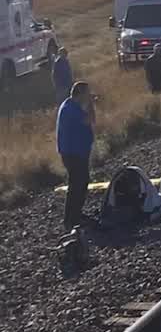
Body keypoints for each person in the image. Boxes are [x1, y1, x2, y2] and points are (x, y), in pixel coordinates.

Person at [56, 81, 95, 230]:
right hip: (73, 153)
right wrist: (91, 106)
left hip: (78, 151)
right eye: (87, 93)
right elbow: (89, 120)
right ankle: (70, 219)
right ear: (80, 94)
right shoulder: (70, 108)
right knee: (76, 185)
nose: (89, 96)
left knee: (82, 182)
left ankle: (76, 214)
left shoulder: (74, 107)